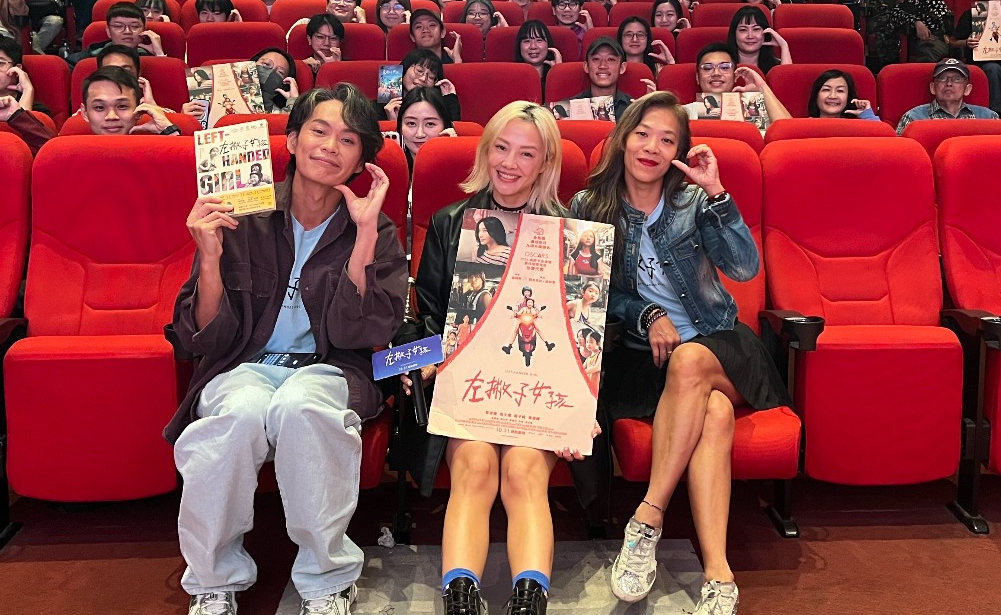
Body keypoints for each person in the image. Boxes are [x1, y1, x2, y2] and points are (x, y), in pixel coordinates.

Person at [169, 82, 406, 615]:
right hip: (245, 365)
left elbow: (360, 334)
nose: (330, 146)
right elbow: (204, 337)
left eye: (348, 139)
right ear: (293, 141)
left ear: (362, 161)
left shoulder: (377, 228)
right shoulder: (240, 213)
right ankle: (212, 579)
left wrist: (364, 237)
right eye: (319, 131)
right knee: (236, 415)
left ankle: (326, 579)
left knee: (303, 406)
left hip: (331, 368)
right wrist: (209, 257)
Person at [570, 90, 790, 615]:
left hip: (719, 344)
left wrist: (717, 194)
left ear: (679, 153)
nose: (652, 147)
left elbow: (743, 268)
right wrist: (647, 314)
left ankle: (647, 517)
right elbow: (591, 295)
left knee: (691, 360)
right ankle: (718, 573)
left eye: (667, 140)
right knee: (714, 413)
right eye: (643, 134)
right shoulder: (589, 207)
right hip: (642, 358)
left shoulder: (694, 203)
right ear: (623, 138)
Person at [398, 101, 606, 615]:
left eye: (526, 154)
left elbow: (589, 330)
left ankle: (529, 601)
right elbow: (426, 316)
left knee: (523, 472)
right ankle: (460, 599)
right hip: (471, 390)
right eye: (501, 148)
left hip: (538, 393)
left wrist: (583, 404)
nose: (510, 163)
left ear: (546, 163)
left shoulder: (573, 236)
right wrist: (418, 361)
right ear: (485, 150)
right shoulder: (450, 223)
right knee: (473, 468)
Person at [948, 0, 1001, 117]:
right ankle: (994, 116)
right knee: (993, 69)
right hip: (985, 63)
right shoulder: (972, 14)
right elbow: (952, 41)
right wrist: (966, 42)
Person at [683, 42, 792, 134]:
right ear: (697, 77)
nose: (716, 73)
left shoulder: (754, 107)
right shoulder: (684, 112)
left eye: (724, 67)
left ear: (735, 75)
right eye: (707, 68)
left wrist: (762, 87)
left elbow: (788, 132)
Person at [895, 57, 999, 135]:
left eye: (957, 79)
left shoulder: (988, 118)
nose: (949, 83)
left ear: (967, 89)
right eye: (942, 78)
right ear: (932, 87)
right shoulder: (913, 118)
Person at [562, 36, 656, 121]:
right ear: (586, 67)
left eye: (610, 59)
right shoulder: (568, 108)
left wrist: (650, 110)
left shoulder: (634, 108)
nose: (603, 66)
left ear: (622, 68)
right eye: (596, 59)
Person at [79, 66, 181, 136]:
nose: (112, 116)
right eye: (100, 107)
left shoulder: (156, 149)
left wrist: (168, 131)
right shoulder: (73, 152)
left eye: (122, 106)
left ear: (139, 109)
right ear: (85, 113)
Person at [866, 0, 953, 67]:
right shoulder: (893, 1)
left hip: (940, 37)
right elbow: (891, 13)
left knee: (928, 50)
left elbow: (936, 22)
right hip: (913, 38)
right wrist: (916, 22)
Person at [68, 2, 166, 66]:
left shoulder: (150, 58)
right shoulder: (88, 57)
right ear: (108, 31)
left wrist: (159, 55)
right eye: (119, 26)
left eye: (135, 26)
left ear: (144, 31)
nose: (127, 31)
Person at [377, 48, 461, 122]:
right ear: (404, 69)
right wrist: (391, 123)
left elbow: (453, 132)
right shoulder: (378, 107)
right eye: (419, 71)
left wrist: (450, 97)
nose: (423, 78)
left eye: (431, 77)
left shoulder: (437, 110)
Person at [395, 86, 455, 172]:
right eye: (411, 123)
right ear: (400, 127)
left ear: (445, 126)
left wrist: (453, 156)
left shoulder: (461, 167)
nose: (420, 134)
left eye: (430, 124)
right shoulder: (387, 168)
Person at [727, 6, 790, 74]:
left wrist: (784, 45)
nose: (750, 36)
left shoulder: (775, 65)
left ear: (766, 33)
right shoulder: (723, 64)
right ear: (734, 34)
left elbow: (787, 78)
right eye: (743, 30)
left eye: (756, 29)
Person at [807, 69, 879, 120]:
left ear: (848, 97)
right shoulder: (805, 125)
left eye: (840, 91)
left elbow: (881, 135)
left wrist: (867, 116)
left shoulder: (856, 126)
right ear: (816, 95)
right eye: (826, 90)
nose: (832, 96)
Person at [516, 20, 561, 97]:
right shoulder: (511, 77)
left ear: (548, 44)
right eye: (527, 41)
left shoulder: (557, 74)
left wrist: (558, 72)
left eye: (539, 40)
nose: (533, 46)